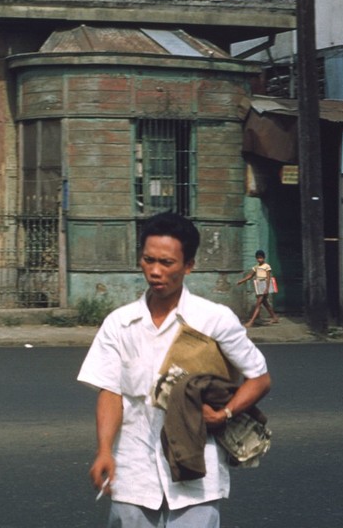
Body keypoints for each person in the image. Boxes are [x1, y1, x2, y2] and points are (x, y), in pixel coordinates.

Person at [78, 212, 272, 528]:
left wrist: (223, 415)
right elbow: (110, 392)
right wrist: (104, 451)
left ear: (188, 265)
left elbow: (260, 378)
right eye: (148, 260)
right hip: (133, 469)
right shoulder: (120, 323)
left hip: (197, 471)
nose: (155, 271)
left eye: (167, 263)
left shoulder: (214, 319)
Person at [235, 250, 278, 328]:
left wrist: (267, 288)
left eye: (261, 258)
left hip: (264, 284)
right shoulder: (256, 267)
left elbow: (268, 278)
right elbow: (250, 276)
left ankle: (251, 322)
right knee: (265, 303)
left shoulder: (266, 266)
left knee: (258, 304)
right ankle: (275, 317)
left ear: (264, 258)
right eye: (258, 258)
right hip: (259, 285)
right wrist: (241, 281)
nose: (259, 259)